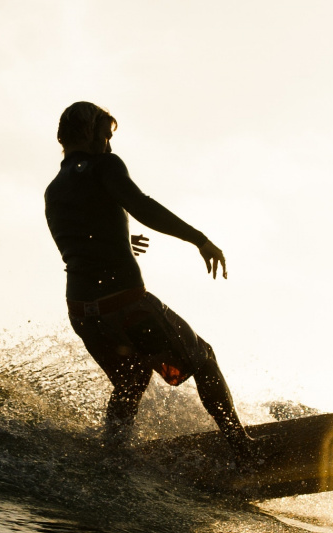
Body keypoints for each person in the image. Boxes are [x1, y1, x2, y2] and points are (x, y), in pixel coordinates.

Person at [44, 101, 249, 454]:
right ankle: (241, 447)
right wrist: (199, 239)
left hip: (83, 312)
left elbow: (82, 241)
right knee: (203, 358)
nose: (109, 145)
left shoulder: (55, 189)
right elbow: (141, 204)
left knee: (130, 380)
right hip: (126, 304)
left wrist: (122, 241)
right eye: (105, 137)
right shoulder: (104, 165)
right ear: (92, 134)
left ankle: (114, 456)